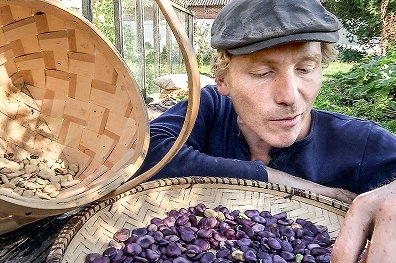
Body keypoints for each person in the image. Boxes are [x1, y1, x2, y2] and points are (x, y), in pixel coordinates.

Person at [136, 0, 396, 262]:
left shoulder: (361, 142)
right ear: (223, 80)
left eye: (306, 68)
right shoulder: (210, 109)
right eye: (263, 72)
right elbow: (145, 153)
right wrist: (297, 186)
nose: (290, 97)